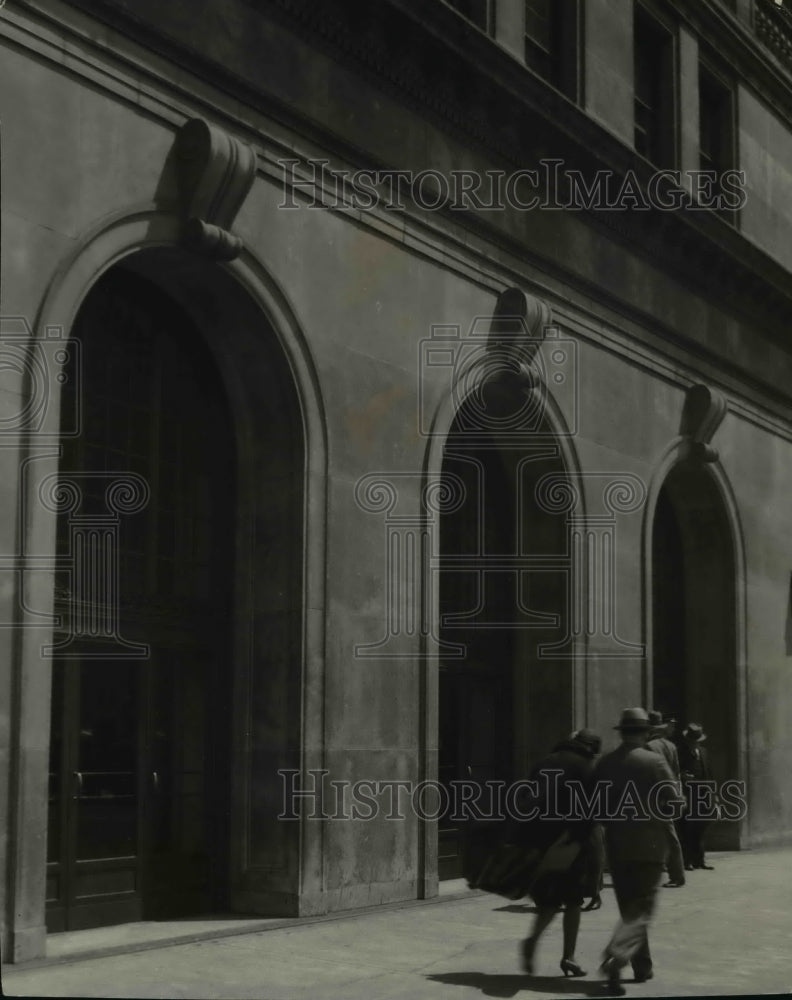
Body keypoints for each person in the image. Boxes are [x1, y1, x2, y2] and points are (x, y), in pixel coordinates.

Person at [594, 708, 684, 996]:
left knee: (630, 909)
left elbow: (595, 806)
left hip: (618, 847)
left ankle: (642, 966)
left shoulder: (606, 763)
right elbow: (675, 803)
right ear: (646, 733)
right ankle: (617, 958)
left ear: (622, 732)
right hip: (650, 847)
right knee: (642, 910)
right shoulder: (654, 761)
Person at [517, 728, 604, 978]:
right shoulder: (586, 769)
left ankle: (533, 940)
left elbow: (526, 801)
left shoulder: (543, 763)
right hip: (573, 843)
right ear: (590, 750)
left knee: (549, 901)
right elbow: (591, 813)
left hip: (542, 843)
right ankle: (569, 956)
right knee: (574, 901)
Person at [646, 710, 686, 888]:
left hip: (653, 796)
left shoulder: (648, 747)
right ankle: (676, 873)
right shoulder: (671, 746)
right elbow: (676, 774)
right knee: (670, 836)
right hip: (669, 794)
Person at [677, 722, 717, 871]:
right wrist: (682, 776)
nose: (694, 744)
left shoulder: (704, 752)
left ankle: (699, 860)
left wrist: (714, 795)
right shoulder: (680, 753)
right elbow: (674, 771)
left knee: (700, 828)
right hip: (688, 795)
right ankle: (687, 861)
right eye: (692, 741)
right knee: (687, 829)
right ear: (687, 740)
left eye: (696, 741)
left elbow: (710, 774)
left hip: (703, 796)